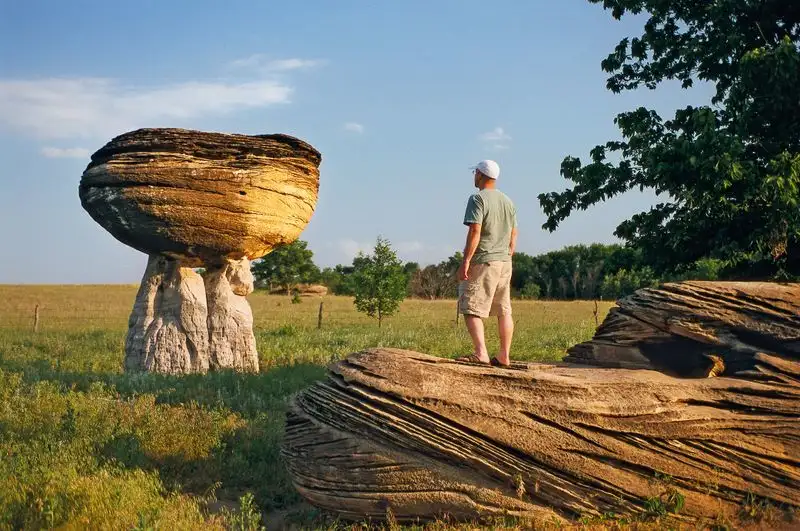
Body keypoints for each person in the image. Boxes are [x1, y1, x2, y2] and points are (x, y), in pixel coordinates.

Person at [456, 159, 517, 367]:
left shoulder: (477, 199)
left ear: (480, 175)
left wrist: (466, 260)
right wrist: (508, 254)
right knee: (504, 310)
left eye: (475, 172)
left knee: (470, 306)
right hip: (505, 261)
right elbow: (514, 233)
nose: (474, 176)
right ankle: (504, 356)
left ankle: (481, 353)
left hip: (485, 260)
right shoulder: (508, 201)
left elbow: (475, 230)